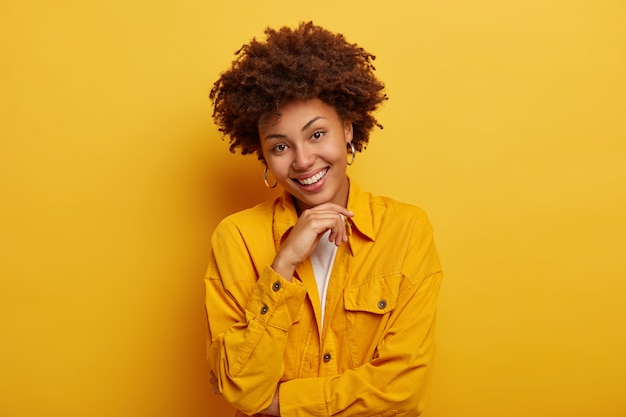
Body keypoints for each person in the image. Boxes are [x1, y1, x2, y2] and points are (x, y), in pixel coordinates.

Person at [205, 22, 443, 417]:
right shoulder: (237, 239)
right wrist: (283, 266)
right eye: (280, 146)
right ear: (264, 158)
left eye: (316, 135)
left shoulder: (405, 230)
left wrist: (281, 406)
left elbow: (403, 389)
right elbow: (241, 387)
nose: (302, 161)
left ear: (347, 129)